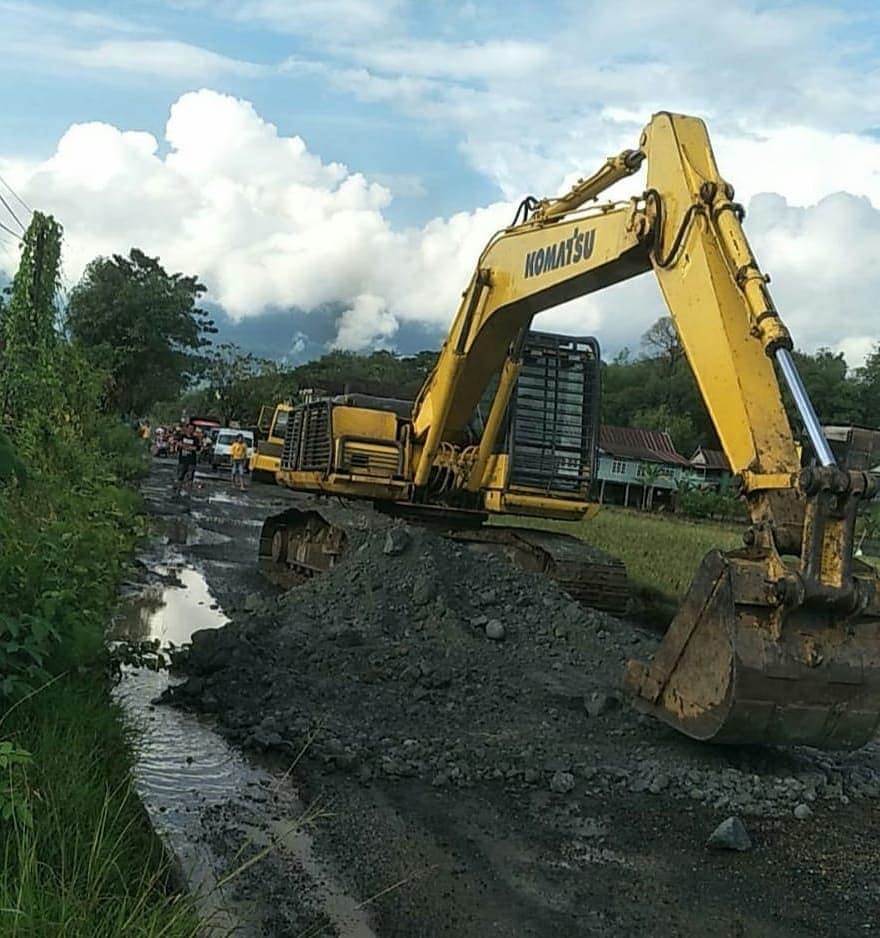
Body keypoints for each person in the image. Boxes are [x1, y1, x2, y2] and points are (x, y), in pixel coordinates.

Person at [174, 422, 201, 496]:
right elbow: (177, 444)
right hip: (182, 460)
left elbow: (196, 448)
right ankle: (177, 492)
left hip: (191, 461)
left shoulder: (195, 439)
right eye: (189, 428)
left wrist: (185, 446)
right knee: (180, 477)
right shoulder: (182, 437)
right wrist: (186, 447)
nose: (190, 430)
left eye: (192, 429)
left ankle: (188, 494)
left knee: (190, 478)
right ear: (186, 429)